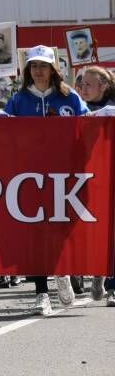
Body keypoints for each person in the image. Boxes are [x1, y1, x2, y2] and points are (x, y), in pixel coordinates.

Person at [0, 45, 86, 315]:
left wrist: (103, 117)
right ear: (28, 70)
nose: (39, 71)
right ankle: (41, 292)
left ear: (54, 68)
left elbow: (86, 125)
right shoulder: (19, 99)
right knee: (35, 232)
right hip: (29, 176)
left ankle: (61, 269)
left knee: (61, 228)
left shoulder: (69, 97)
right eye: (34, 66)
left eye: (43, 65)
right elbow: (7, 129)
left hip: (64, 175)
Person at [77, 65, 115, 305]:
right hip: (85, 178)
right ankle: (95, 271)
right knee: (89, 231)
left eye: (89, 84)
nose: (83, 89)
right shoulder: (76, 106)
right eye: (81, 85)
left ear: (103, 86)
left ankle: (112, 285)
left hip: (111, 176)